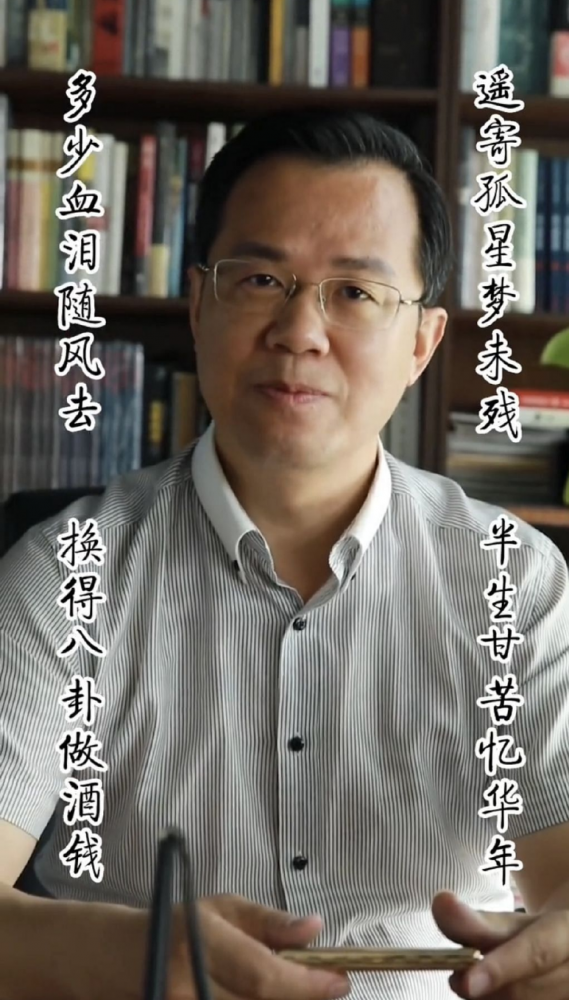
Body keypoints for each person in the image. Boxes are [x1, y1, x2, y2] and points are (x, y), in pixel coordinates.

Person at [0, 107, 568, 1000]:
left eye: (355, 292)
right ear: (199, 305)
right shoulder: (65, 572)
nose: (300, 331)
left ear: (421, 343)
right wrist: (137, 957)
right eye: (261, 278)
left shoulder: (513, 580)